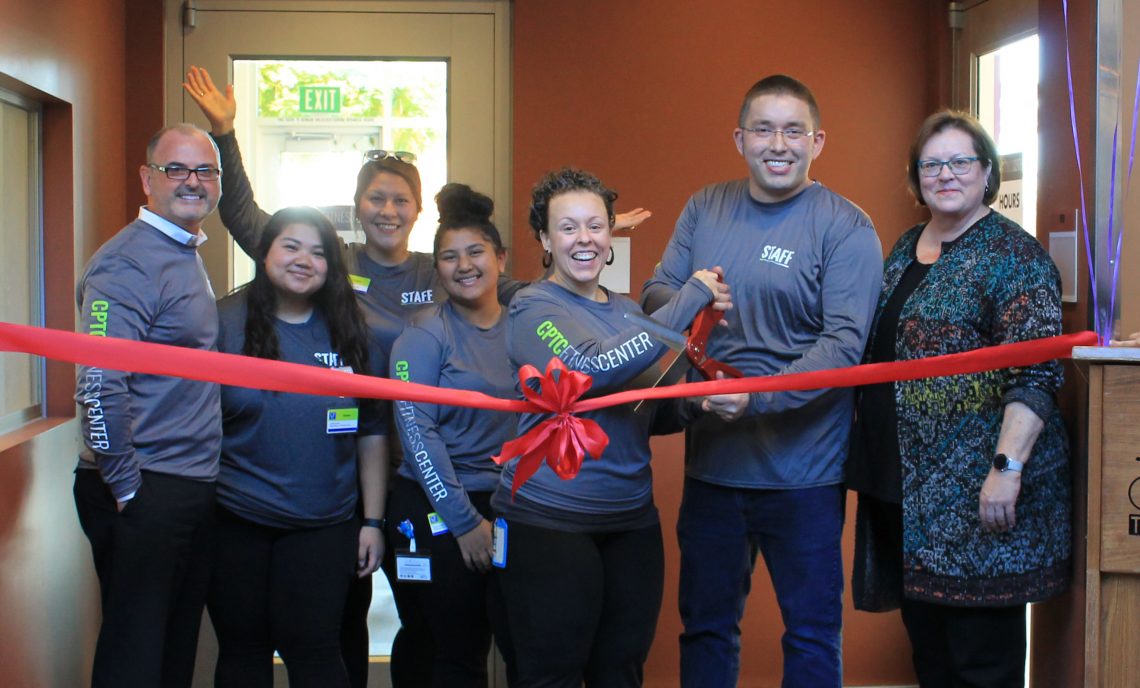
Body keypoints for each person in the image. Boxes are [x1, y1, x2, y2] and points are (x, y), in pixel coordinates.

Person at [184, 64, 650, 687]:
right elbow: (256, 228)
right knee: (355, 631)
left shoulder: (446, 268)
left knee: (499, 636)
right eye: (376, 197)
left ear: (417, 209)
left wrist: (588, 236)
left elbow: (552, 290)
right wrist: (225, 135)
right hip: (363, 473)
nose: (387, 209)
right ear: (357, 207)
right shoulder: (331, 265)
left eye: (400, 199)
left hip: (474, 477)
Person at [640, 74, 883, 688]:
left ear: (818, 140)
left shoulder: (846, 227)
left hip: (805, 475)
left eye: (794, 130)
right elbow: (655, 295)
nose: (780, 143)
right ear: (740, 138)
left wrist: (755, 396)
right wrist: (695, 294)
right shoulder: (705, 206)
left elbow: (843, 346)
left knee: (809, 633)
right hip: (714, 471)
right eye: (764, 129)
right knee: (706, 628)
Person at [847, 110, 1071, 688]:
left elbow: (1036, 373)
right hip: (909, 494)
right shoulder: (905, 247)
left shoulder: (1014, 258)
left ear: (987, 172)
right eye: (931, 163)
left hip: (978, 493)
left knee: (981, 663)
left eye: (960, 162)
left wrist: (1007, 468)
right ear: (916, 175)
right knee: (931, 655)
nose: (945, 174)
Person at [495, 167, 734, 687]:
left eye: (595, 225)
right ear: (544, 239)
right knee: (550, 675)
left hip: (630, 521)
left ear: (610, 236)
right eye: (568, 227)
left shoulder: (629, 313)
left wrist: (701, 405)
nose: (584, 239)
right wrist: (690, 298)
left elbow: (643, 411)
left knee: (621, 673)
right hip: (550, 521)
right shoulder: (532, 306)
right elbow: (594, 368)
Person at [73, 123, 223, 688]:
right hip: (145, 487)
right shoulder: (129, 262)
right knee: (135, 659)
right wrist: (128, 488)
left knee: (171, 653)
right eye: (176, 169)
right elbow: (98, 383)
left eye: (205, 171)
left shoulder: (182, 251)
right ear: (147, 179)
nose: (192, 182)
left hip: (185, 484)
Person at [210, 206, 386, 687]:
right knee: (243, 650)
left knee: (313, 647)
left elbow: (371, 430)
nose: (304, 260)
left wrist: (372, 521)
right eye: (291, 246)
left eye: (319, 252)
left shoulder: (352, 329)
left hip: (324, 522)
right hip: (235, 518)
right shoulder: (223, 323)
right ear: (264, 252)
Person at [387, 183, 517, 687]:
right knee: (450, 649)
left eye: (476, 252)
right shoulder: (422, 334)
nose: (464, 265)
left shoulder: (526, 325)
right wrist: (463, 521)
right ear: (435, 268)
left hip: (508, 506)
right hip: (435, 506)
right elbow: (416, 433)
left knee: (512, 640)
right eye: (448, 256)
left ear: (500, 259)